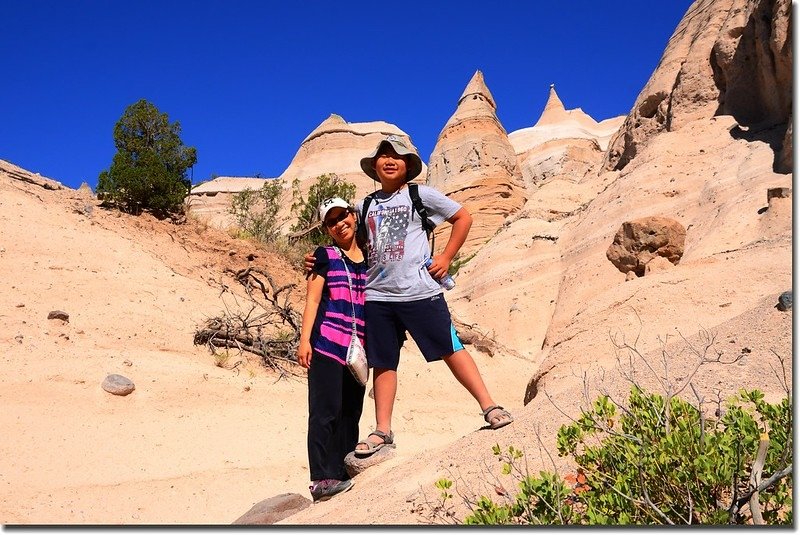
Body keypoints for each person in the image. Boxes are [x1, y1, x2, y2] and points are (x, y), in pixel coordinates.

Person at [305, 135, 513, 458]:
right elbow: (346, 234)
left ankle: (489, 405)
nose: (389, 160)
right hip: (378, 298)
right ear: (374, 167)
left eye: (397, 156)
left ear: (407, 165)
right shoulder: (365, 206)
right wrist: (318, 258)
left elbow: (463, 217)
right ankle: (382, 430)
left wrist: (445, 258)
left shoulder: (421, 195)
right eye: (383, 156)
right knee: (383, 363)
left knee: (450, 347)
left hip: (420, 292)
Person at [297, 197, 367, 501]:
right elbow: (312, 299)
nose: (340, 224)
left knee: (351, 412)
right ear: (326, 228)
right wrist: (304, 340)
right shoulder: (324, 256)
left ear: (353, 215)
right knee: (324, 412)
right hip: (326, 344)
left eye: (343, 216)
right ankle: (321, 479)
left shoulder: (370, 258)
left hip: (358, 350)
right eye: (331, 221)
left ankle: (342, 470)